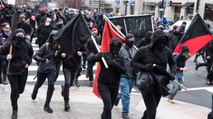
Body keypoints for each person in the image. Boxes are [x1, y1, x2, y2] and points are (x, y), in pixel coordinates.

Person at [131, 29, 176, 119]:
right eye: (160, 40)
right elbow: (133, 63)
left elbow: (173, 63)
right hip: (147, 82)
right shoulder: (143, 50)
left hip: (160, 84)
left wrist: (172, 73)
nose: (162, 43)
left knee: (152, 108)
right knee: (152, 111)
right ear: (155, 40)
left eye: (164, 40)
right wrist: (144, 67)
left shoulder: (167, 51)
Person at [87, 37, 126, 119]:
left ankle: (103, 116)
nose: (115, 48)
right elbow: (89, 59)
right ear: (110, 46)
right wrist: (94, 55)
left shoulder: (121, 57)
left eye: (117, 46)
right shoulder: (104, 55)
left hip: (114, 86)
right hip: (103, 84)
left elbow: (124, 71)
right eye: (113, 46)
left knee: (109, 108)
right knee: (108, 105)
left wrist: (115, 64)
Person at [0, 28, 33, 119]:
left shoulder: (27, 44)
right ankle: (14, 109)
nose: (20, 37)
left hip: (23, 70)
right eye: (18, 35)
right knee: (14, 91)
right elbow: (1, 55)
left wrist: (28, 63)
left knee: (20, 91)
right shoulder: (9, 45)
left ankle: (16, 94)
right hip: (12, 71)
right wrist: (6, 57)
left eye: (22, 35)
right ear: (14, 35)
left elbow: (30, 55)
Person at [31, 31, 65, 113]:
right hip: (42, 69)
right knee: (39, 84)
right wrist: (43, 60)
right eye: (54, 37)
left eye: (57, 37)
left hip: (52, 70)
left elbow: (57, 58)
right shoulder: (45, 46)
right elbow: (35, 56)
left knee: (51, 86)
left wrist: (62, 56)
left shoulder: (59, 48)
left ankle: (47, 105)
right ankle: (35, 90)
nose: (55, 39)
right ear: (51, 37)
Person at [115, 33, 137, 119]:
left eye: (133, 40)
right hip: (123, 75)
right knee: (126, 94)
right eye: (130, 40)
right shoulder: (121, 50)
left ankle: (117, 97)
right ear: (126, 40)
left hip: (132, 75)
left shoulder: (135, 49)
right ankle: (125, 112)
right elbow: (117, 61)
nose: (132, 42)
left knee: (127, 92)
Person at [61, 46, 88, 111]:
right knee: (67, 83)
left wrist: (81, 53)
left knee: (70, 84)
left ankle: (64, 90)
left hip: (75, 66)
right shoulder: (65, 41)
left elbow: (86, 51)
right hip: (66, 66)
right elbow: (59, 53)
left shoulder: (79, 42)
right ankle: (66, 102)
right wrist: (61, 55)